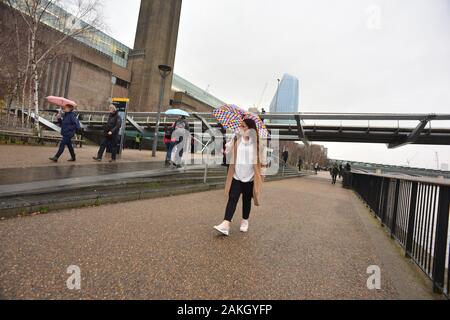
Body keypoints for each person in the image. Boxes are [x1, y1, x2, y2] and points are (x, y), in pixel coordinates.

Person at [214, 118, 266, 236]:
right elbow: (227, 150)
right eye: (241, 126)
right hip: (236, 175)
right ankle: (226, 224)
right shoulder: (237, 139)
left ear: (251, 129)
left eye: (243, 126)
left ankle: (245, 220)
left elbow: (263, 162)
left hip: (250, 178)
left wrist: (262, 177)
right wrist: (227, 143)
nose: (241, 128)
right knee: (232, 198)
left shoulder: (258, 144)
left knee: (246, 200)